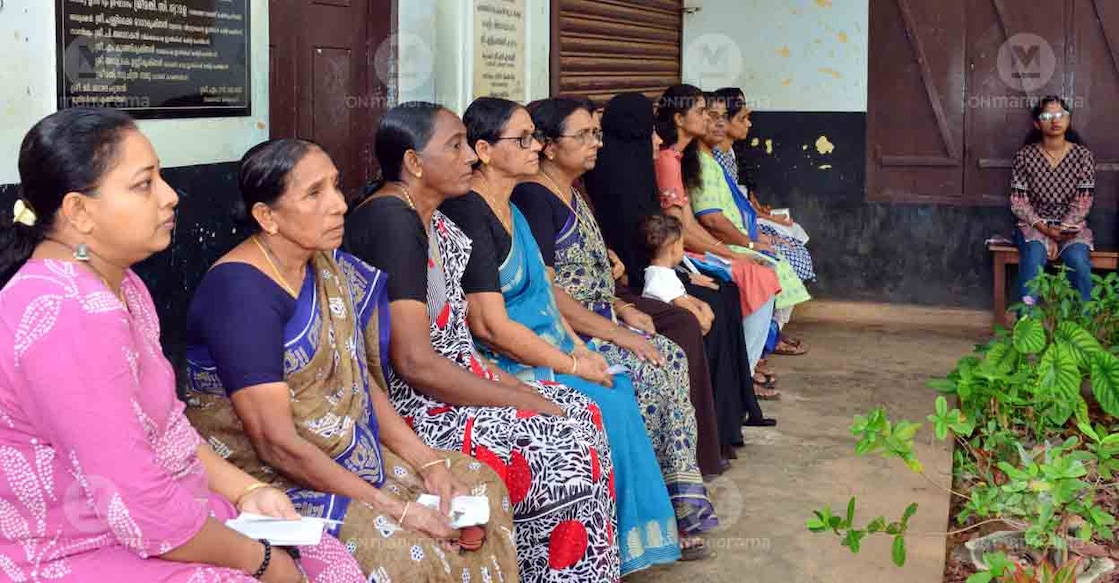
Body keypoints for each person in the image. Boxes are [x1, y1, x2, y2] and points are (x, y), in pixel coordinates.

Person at [0, 108, 364, 582]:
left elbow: (168, 431)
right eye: (143, 184)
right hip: (78, 547)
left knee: (325, 556)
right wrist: (262, 561)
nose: (171, 197)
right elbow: (136, 506)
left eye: (161, 178)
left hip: (166, 515)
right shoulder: (67, 315)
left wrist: (246, 491)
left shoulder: (121, 284)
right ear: (79, 212)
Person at [182, 138, 519, 581]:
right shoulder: (240, 292)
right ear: (267, 217)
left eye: (336, 187)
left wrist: (429, 463)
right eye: (314, 194)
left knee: (476, 488)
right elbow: (275, 443)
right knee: (402, 550)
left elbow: (358, 383)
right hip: (272, 478)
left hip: (347, 452)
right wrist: (394, 508)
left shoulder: (325, 266)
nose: (339, 205)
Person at [344, 102, 620, 582]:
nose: (471, 156)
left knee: (581, 413)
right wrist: (516, 394)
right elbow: (415, 363)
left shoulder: (433, 217)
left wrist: (513, 385)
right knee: (556, 439)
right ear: (413, 163)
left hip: (457, 381)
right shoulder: (393, 220)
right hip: (417, 405)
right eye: (455, 146)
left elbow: (459, 340)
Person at [439, 97, 685, 574]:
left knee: (618, 379)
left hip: (549, 345)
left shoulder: (514, 208)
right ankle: (604, 550)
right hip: (508, 358)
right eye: (524, 139)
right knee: (604, 398)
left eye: (536, 136)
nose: (536, 147)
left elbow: (547, 299)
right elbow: (490, 325)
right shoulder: (470, 214)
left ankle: (629, 540)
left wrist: (580, 348)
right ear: (485, 151)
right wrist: (572, 363)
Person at [512, 98, 718, 543]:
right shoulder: (533, 198)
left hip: (602, 317)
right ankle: (639, 516)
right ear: (548, 147)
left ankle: (674, 504)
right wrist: (616, 332)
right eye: (583, 135)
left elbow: (594, 275)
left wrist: (623, 309)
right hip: (564, 334)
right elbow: (549, 293)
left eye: (596, 133)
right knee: (648, 367)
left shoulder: (573, 191)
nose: (595, 144)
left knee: (668, 356)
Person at [585, 91, 777, 466]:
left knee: (720, 296)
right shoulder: (618, 177)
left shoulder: (640, 167)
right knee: (697, 315)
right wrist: (677, 291)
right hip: (638, 284)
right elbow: (648, 249)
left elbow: (665, 239)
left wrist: (686, 274)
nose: (657, 139)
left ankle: (727, 421)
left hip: (647, 276)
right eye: (649, 131)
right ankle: (707, 440)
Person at [653, 84, 792, 387]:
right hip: (677, 256)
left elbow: (689, 225)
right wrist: (730, 252)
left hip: (689, 249)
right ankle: (744, 375)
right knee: (756, 276)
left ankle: (745, 369)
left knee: (760, 271)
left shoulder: (681, 158)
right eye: (702, 112)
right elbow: (684, 230)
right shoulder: (667, 160)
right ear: (679, 118)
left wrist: (730, 250)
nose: (710, 120)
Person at [1011, 96, 1096, 304]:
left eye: (1060, 115)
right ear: (1037, 123)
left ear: (1068, 119)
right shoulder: (1025, 156)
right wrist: (1046, 230)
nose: (1055, 120)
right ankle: (1026, 327)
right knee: (1033, 257)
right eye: (1047, 116)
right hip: (1035, 226)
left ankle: (1084, 325)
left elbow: (1083, 199)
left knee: (1079, 261)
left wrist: (1062, 230)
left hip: (1071, 227)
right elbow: (1018, 201)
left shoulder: (1083, 156)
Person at [640, 214, 714, 328]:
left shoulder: (660, 272)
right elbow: (681, 302)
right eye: (682, 245)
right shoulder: (660, 277)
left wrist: (702, 304)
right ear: (674, 248)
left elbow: (680, 295)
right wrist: (704, 321)